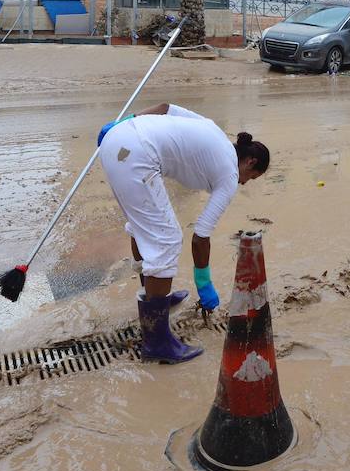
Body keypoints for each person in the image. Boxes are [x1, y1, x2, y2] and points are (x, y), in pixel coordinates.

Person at [97, 103, 271, 363]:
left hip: (115, 139)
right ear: (250, 162)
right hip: (137, 154)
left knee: (145, 226)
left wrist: (127, 121)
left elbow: (166, 108)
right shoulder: (229, 173)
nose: (244, 182)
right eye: (251, 177)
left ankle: (155, 296)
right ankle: (156, 342)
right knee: (167, 240)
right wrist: (204, 284)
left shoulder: (212, 128)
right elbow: (201, 236)